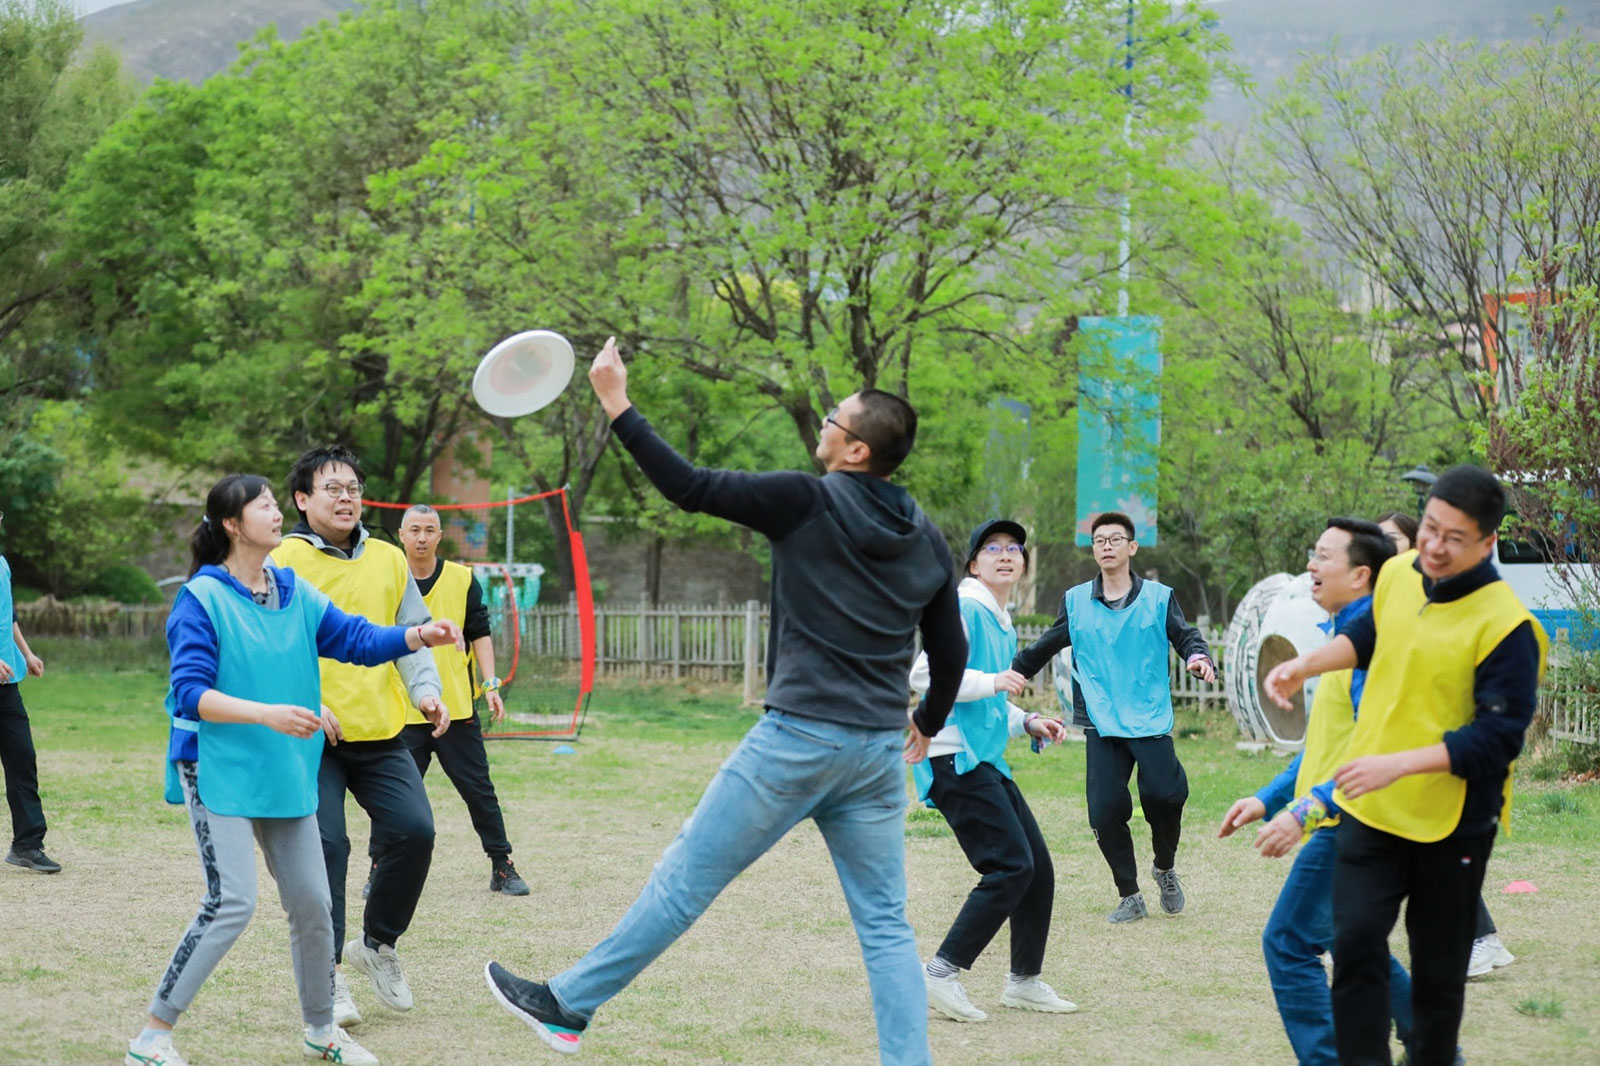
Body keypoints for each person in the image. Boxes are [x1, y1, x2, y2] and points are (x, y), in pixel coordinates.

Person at [484, 337, 967, 1066]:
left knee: (686, 879)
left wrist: (616, 400)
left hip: (799, 739)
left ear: (857, 451)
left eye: (835, 420)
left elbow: (689, 486)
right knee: (887, 927)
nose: (825, 425)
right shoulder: (928, 537)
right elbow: (952, 651)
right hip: (873, 753)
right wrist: (926, 725)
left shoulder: (807, 499)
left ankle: (568, 1005)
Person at [128, 474, 464, 1066]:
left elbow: (355, 639)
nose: (277, 513)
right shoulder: (200, 599)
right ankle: (153, 1036)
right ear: (233, 524)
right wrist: (268, 714)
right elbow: (189, 694)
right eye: (263, 506)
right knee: (231, 903)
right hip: (218, 766)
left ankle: (321, 1031)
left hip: (283, 765)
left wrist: (418, 633)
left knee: (312, 901)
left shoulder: (292, 589)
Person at [1265, 465, 1546, 1066]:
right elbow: (1369, 636)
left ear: (1487, 542)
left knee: (1438, 981)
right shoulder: (1398, 574)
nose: (1435, 547)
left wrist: (1398, 765)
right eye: (1431, 530)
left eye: (1454, 538)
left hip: (1454, 825)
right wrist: (1305, 666)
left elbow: (1497, 739)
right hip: (1372, 813)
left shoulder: (1508, 626)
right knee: (1357, 949)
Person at [1219, 517, 1421, 1066]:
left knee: (1288, 942)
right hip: (1340, 816)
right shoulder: (1342, 638)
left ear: (1361, 575)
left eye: (1323, 556)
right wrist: (1270, 798)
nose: (1310, 564)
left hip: (1353, 821)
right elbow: (1324, 746)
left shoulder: (1369, 648)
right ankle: (1431, 1043)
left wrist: (1307, 812)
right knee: (1347, 941)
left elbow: (1375, 749)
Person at [271, 447, 451, 1026]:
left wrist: (426, 692)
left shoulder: (390, 559)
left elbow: (409, 633)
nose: (346, 497)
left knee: (414, 832)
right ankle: (326, 974)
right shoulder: (281, 560)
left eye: (352, 488)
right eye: (332, 488)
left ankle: (377, 945)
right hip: (310, 737)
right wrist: (303, 701)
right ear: (303, 499)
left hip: (379, 732)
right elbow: (263, 646)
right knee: (327, 849)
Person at [907, 519, 1074, 1024]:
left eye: (1014, 549)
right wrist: (993, 680)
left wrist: (1027, 721)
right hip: (954, 758)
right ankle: (940, 972)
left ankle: (1023, 982)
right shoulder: (966, 606)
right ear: (974, 563)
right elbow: (924, 675)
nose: (1006, 555)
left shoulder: (999, 618)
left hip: (984, 757)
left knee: (1037, 869)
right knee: (1009, 866)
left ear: (1023, 564)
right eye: (992, 548)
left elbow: (986, 698)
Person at [1011, 511, 1215, 923]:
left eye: (1115, 539)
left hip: (1149, 715)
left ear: (1132, 547)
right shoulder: (1076, 601)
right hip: (1102, 719)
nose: (1106, 546)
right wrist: (1013, 674)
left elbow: (1186, 634)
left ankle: (1164, 867)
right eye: (1099, 540)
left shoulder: (1159, 597)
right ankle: (1130, 894)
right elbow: (1046, 644)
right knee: (1104, 810)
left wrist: (1198, 656)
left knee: (1166, 795)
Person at [1377, 510, 1513, 981]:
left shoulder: (1442, 595)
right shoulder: (1390, 594)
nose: (1382, 548)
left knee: (1431, 851)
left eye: (1391, 539)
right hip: (1400, 754)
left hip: (1435, 754)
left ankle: (1478, 940)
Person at [379, 503, 529, 897]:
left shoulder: (463, 579)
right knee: (392, 797)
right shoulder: (387, 576)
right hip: (404, 711)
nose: (422, 537)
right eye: (415, 530)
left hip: (457, 710)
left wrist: (490, 684)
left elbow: (479, 631)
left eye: (430, 530)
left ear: (440, 536)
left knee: (479, 790)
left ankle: (502, 865)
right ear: (401, 534)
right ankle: (379, 865)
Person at [0, 509, 56, 875]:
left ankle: (27, 844)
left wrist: (27, 652)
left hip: (7, 685)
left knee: (23, 760)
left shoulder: (2, 563)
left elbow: (10, 616)